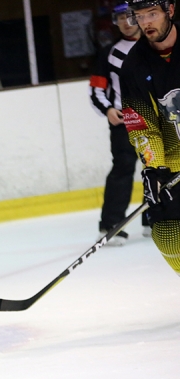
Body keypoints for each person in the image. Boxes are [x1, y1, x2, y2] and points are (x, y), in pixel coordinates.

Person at [120, 0, 180, 276]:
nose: (146, 23)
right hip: (173, 160)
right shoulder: (133, 65)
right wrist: (153, 167)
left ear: (170, 10)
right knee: (167, 234)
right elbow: (142, 125)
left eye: (152, 14)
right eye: (140, 16)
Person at [90, 3, 146, 245]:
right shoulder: (108, 53)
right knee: (122, 170)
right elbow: (96, 91)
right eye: (120, 18)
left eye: (129, 16)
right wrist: (108, 109)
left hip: (156, 120)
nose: (125, 22)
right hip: (124, 123)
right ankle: (111, 224)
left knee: (162, 169)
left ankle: (158, 218)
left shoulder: (156, 46)